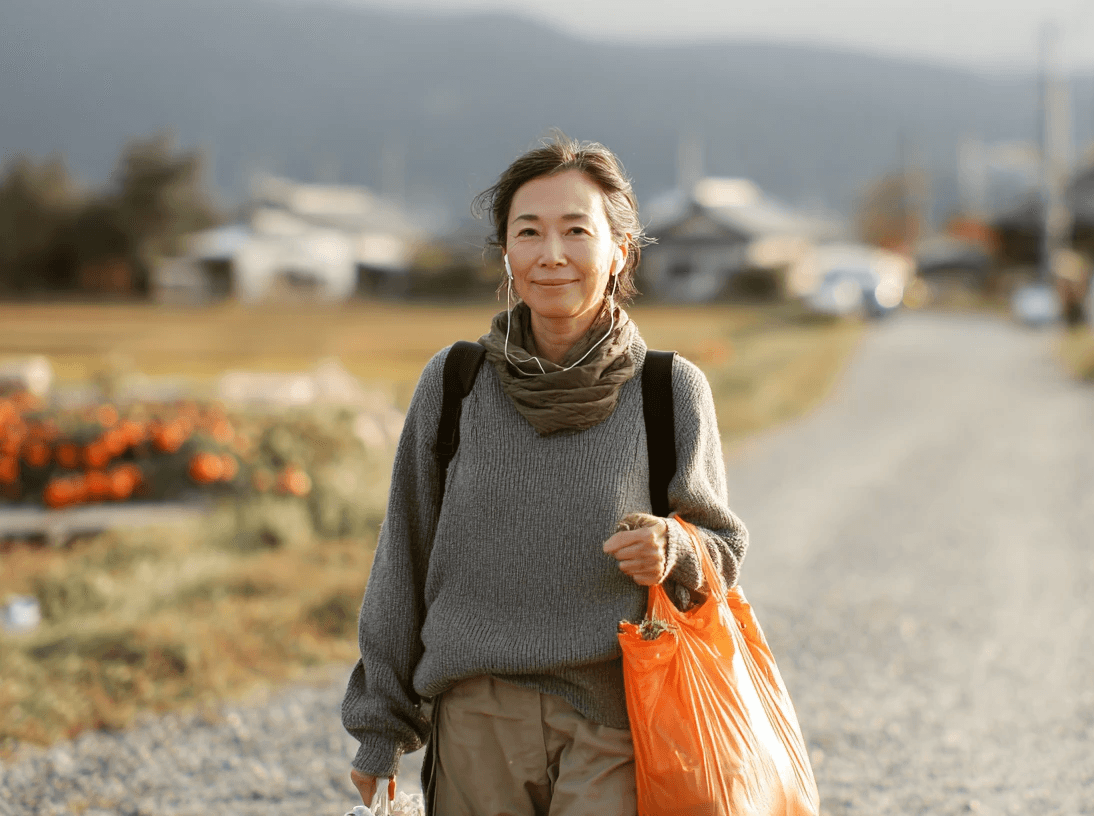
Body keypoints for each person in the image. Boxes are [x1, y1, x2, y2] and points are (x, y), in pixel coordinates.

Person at [342, 133, 749, 815]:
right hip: (475, 716)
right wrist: (381, 729)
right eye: (528, 232)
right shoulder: (454, 382)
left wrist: (675, 547)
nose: (551, 254)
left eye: (576, 231)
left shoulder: (668, 389)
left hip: (616, 716)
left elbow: (724, 553)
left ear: (620, 249)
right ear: (507, 253)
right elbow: (402, 558)